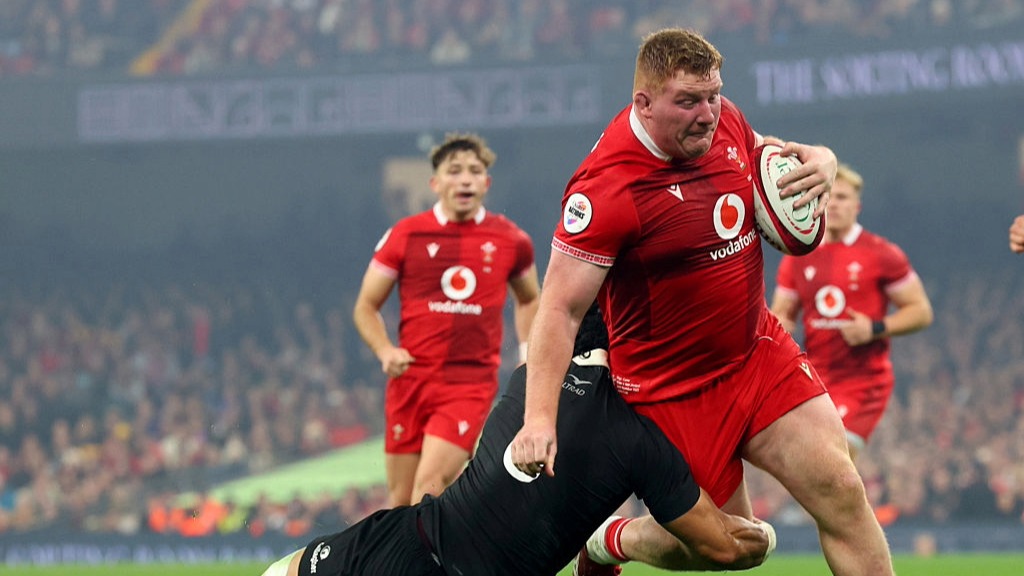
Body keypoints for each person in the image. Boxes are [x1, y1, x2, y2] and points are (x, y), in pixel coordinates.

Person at [509, 28, 895, 575]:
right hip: (673, 391)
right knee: (731, 548)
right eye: (687, 101)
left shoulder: (725, 120)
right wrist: (538, 421)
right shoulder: (606, 190)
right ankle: (608, 538)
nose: (707, 113)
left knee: (842, 491)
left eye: (713, 94)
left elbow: (770, 156)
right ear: (642, 102)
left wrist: (825, 160)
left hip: (755, 352)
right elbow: (558, 309)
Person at [259, 306, 776, 576]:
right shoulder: (640, 441)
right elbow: (723, 548)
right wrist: (763, 539)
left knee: (283, 571)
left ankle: (603, 543)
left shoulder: (528, 379)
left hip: (405, 536)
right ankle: (604, 543)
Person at [352, 132, 541, 507]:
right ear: (435, 183)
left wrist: (526, 353)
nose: (465, 179)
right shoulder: (406, 234)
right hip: (409, 380)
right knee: (400, 502)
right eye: (454, 171)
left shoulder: (511, 240)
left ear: (486, 183)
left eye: (475, 171)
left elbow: (529, 299)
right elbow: (365, 306)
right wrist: (385, 350)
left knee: (431, 484)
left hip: (468, 384)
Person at [770, 163, 933, 459]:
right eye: (828, 196)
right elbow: (781, 311)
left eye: (842, 197)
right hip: (815, 379)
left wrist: (875, 328)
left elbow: (921, 311)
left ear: (857, 205)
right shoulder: (799, 253)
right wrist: (782, 324)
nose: (834, 204)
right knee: (813, 472)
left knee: (832, 462)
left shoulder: (881, 253)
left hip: (863, 383)